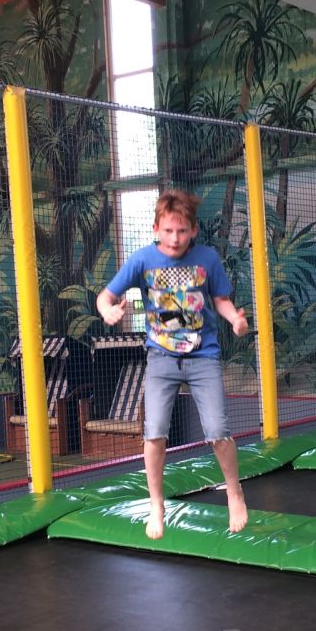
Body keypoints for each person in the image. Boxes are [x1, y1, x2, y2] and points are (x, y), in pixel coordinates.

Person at [96, 189, 249, 540]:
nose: (175, 238)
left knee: (217, 430)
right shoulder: (143, 260)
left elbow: (221, 300)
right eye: (168, 231)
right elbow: (105, 296)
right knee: (154, 433)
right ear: (156, 229)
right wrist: (108, 310)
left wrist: (234, 320)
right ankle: (156, 504)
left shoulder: (207, 258)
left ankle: (234, 492)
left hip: (202, 356)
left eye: (181, 231)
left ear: (193, 230)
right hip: (161, 358)